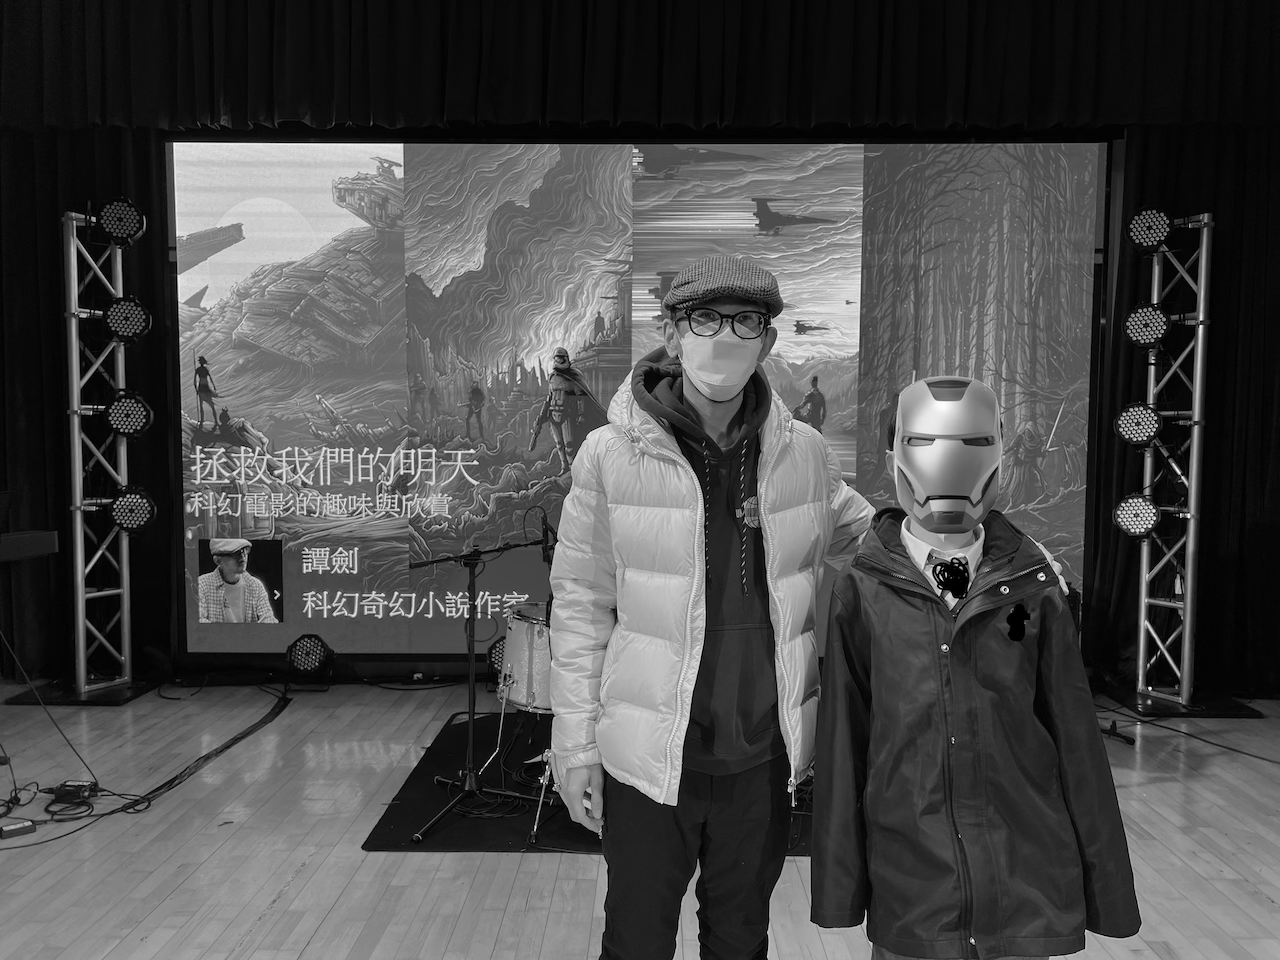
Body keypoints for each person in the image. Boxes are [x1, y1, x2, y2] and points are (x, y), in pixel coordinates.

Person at [549, 255, 874, 960]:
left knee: (740, 941)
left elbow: (876, 538)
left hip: (761, 758)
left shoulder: (804, 455)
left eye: (746, 320)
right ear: (672, 333)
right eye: (704, 319)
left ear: (769, 340)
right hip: (649, 759)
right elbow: (579, 606)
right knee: (635, 942)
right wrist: (573, 747)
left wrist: (998, 556)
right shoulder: (610, 455)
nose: (724, 337)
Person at [811, 376, 1140, 959]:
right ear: (896, 456)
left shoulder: (1033, 586)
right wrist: (841, 891)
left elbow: (1077, 744)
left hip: (1023, 881)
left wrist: (1108, 893)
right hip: (914, 886)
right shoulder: (863, 591)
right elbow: (845, 748)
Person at [531, 346, 608, 473]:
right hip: (553, 415)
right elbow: (549, 398)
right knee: (559, 444)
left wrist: (581, 414)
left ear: (566, 359)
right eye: (557, 358)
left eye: (561, 358)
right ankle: (564, 468)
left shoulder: (573, 376)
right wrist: (542, 416)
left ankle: (573, 468)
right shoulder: (552, 377)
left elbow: (581, 397)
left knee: (569, 444)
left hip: (567, 414)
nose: (559, 360)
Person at [197, 538, 279, 624]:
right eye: (235, 553)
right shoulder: (202, 584)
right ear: (218, 560)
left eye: (244, 550)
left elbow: (269, 618)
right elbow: (197, 622)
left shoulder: (256, 585)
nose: (242, 556)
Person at [194, 355, 218, 428]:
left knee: (202, 406)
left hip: (202, 388)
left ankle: (203, 421)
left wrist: (196, 389)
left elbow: (194, 381)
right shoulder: (204, 369)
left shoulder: (199, 370)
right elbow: (210, 378)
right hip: (205, 388)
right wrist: (214, 386)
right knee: (211, 406)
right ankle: (215, 421)